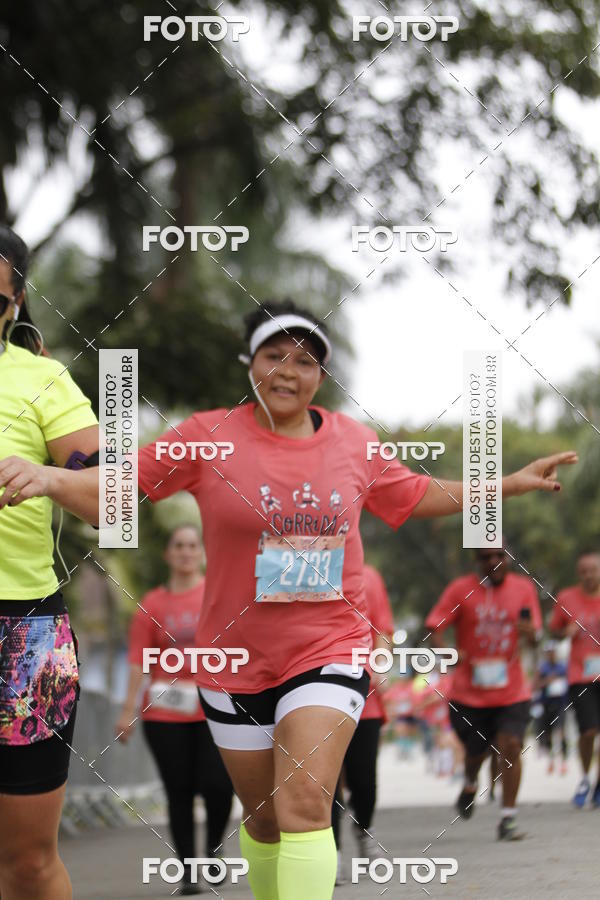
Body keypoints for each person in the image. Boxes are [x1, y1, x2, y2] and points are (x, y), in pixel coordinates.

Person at [0, 298, 577, 899]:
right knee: (266, 819)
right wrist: (49, 478)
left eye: (306, 361)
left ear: (321, 377)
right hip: (234, 663)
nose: (289, 370)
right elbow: (121, 486)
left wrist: (507, 483)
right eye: (275, 355)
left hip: (329, 646)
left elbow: (418, 493)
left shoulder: (353, 443)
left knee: (304, 804)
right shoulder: (207, 437)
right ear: (249, 362)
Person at [0, 225, 99, 900]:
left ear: (15, 297)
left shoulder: (41, 379)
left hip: (23, 634)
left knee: (28, 862)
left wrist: (49, 477)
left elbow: (114, 503)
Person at [116, 524, 234, 895]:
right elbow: (138, 661)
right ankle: (188, 871)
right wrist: (127, 710)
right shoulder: (151, 604)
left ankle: (214, 851)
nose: (185, 552)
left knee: (218, 786)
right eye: (178, 546)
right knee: (178, 791)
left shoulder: (218, 597)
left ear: (202, 553)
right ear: (168, 554)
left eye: (192, 546)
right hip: (165, 713)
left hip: (213, 707)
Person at [425, 543, 542, 840]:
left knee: (511, 744)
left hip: (511, 690)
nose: (494, 561)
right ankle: (469, 782)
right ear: (476, 561)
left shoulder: (524, 588)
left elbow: (534, 636)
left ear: (508, 558)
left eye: (499, 555)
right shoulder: (459, 590)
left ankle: (508, 819)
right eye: (486, 557)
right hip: (469, 694)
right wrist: (450, 652)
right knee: (476, 754)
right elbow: (433, 630)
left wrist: (531, 635)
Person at [331, 562, 393, 884]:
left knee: (364, 783)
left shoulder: (369, 576)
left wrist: (380, 664)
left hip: (363, 695)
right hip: (321, 694)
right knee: (327, 780)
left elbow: (382, 630)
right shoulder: (305, 570)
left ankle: (363, 829)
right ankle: (334, 853)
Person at [549, 549, 600, 808]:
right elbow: (553, 631)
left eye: (592, 570)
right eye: (583, 571)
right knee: (588, 730)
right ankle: (585, 777)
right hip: (581, 676)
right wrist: (564, 634)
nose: (588, 576)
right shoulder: (567, 598)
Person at [534, 642, 568, 775]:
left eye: (553, 651)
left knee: (560, 732)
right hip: (546, 705)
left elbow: (569, 683)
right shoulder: (542, 668)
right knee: (548, 734)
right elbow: (534, 686)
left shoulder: (563, 667)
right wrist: (546, 681)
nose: (551, 654)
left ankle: (563, 762)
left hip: (561, 704)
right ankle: (551, 760)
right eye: (549, 652)